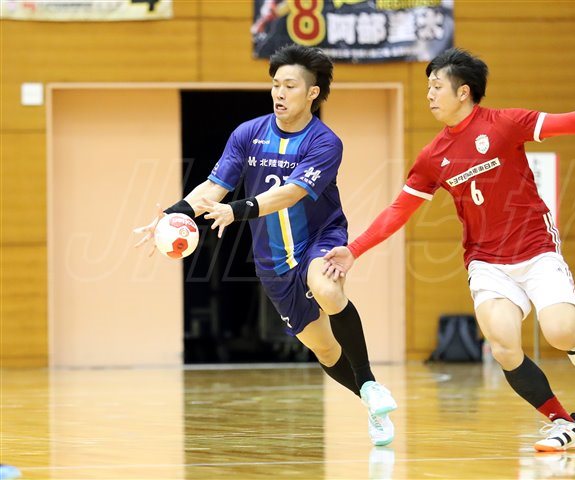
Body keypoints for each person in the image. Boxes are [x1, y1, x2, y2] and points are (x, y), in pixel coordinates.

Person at [322, 47, 575, 452]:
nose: (430, 95)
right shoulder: (433, 156)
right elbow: (398, 210)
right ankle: (563, 422)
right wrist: (354, 250)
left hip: (536, 249)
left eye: (437, 86)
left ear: (464, 92)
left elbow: (570, 122)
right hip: (486, 263)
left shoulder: (505, 124)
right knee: (503, 345)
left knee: (559, 332)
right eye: (428, 88)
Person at [133, 44, 397, 446]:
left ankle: (371, 383)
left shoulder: (325, 143)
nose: (279, 93)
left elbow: (290, 193)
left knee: (326, 289)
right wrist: (171, 215)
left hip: (319, 237)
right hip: (273, 261)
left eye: (290, 86)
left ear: (312, 92)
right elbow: (213, 188)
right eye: (275, 84)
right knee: (324, 350)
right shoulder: (248, 134)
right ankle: (370, 402)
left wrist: (236, 211)